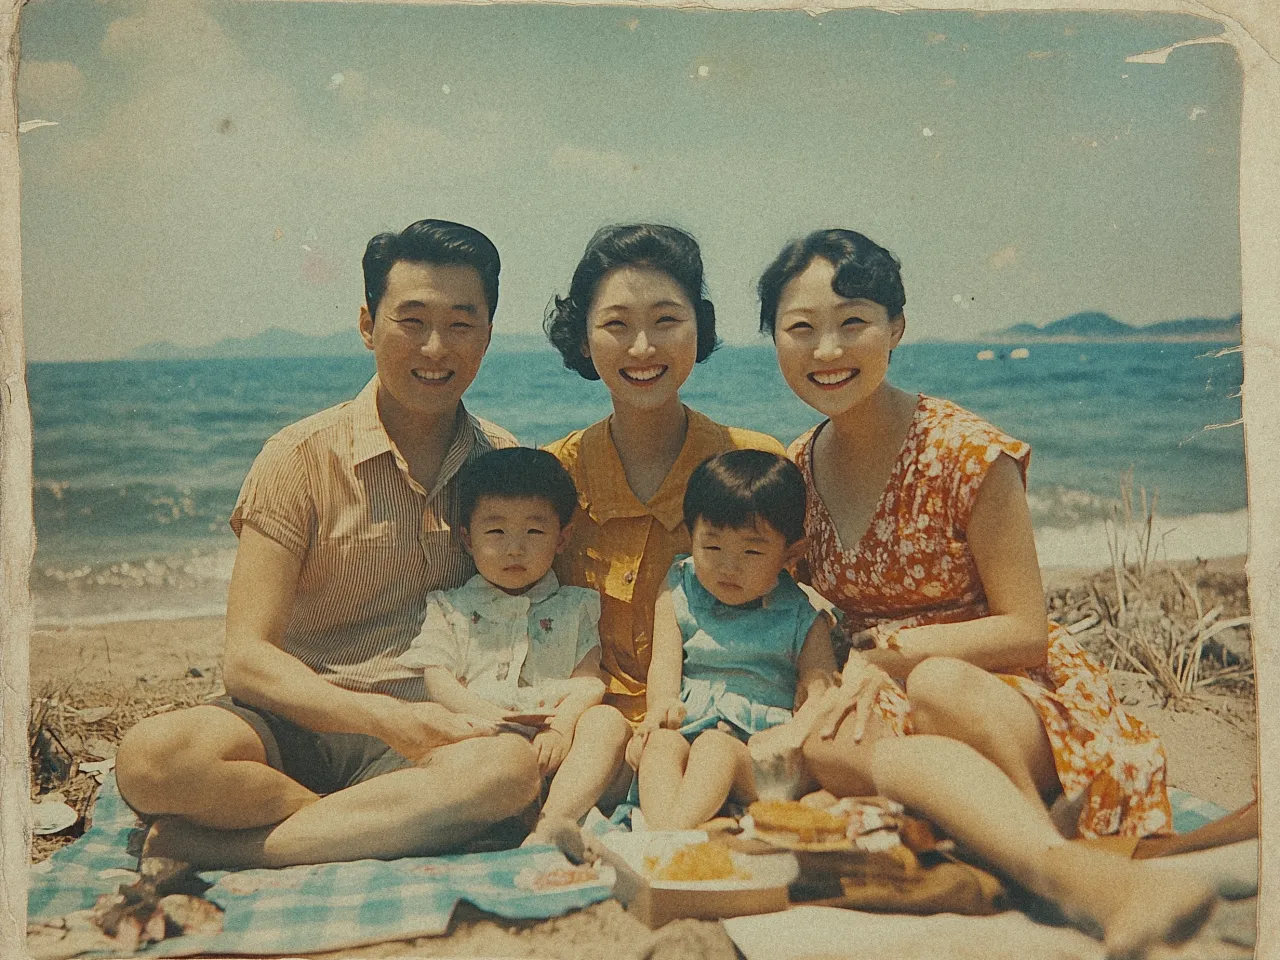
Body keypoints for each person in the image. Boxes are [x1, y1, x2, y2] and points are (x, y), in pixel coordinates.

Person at [755, 228, 1216, 957]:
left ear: (896, 327)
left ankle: (1052, 862)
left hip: (1009, 690)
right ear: (774, 340)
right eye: (801, 329)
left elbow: (1026, 628)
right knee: (826, 744)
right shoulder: (798, 468)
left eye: (854, 323)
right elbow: (795, 601)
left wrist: (891, 656)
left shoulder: (968, 452)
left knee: (939, 685)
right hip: (887, 697)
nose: (828, 351)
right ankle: (1070, 872)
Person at [114, 219, 542, 870]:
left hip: (439, 737)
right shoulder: (298, 458)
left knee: (508, 772)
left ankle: (228, 846)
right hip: (300, 723)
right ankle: (366, 825)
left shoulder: (504, 463)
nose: (435, 347)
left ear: (487, 332)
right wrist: (378, 717)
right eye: (412, 321)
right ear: (368, 325)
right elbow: (247, 659)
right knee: (153, 760)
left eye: (461, 323)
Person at [543, 223, 786, 724]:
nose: (642, 347)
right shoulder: (552, 477)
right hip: (579, 737)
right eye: (616, 324)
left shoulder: (754, 463)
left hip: (713, 736)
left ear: (700, 330)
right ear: (584, 341)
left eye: (667, 319)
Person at [397, 447, 632, 843]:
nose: (515, 548)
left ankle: (549, 825)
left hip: (559, 752)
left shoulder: (576, 606)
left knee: (607, 722)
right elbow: (439, 682)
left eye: (535, 532)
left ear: (562, 538)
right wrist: (492, 720)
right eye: (496, 532)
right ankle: (497, 818)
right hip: (483, 740)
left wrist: (560, 730)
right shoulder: (450, 608)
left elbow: (587, 681)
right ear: (467, 539)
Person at [627, 450, 836, 829]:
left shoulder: (802, 615)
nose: (728, 566)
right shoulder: (679, 586)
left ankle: (673, 833)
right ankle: (668, 829)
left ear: (792, 553)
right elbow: (665, 663)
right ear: (691, 535)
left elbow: (822, 689)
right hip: (691, 729)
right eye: (712, 547)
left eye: (752, 550)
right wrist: (660, 708)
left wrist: (792, 734)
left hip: (764, 755)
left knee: (715, 748)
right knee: (660, 747)